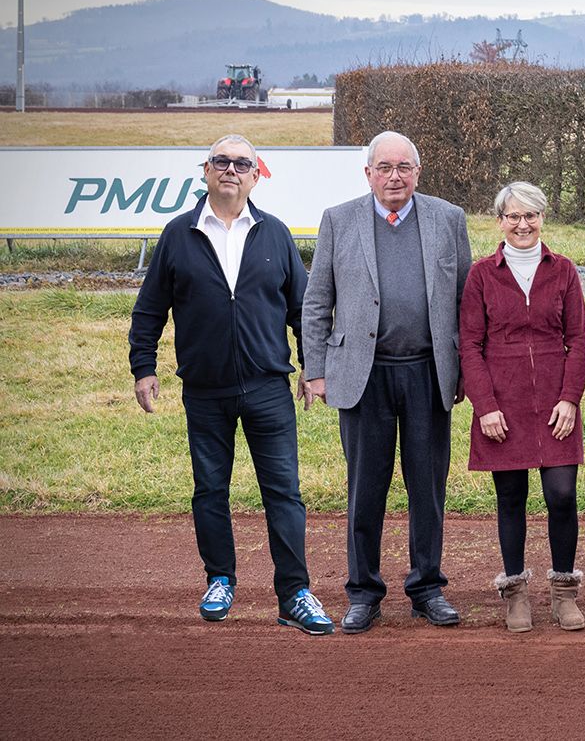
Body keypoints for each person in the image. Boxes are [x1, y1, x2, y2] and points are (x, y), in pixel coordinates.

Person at [127, 134, 333, 635]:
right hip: (205, 390)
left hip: (267, 387)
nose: (231, 170)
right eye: (222, 161)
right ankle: (220, 579)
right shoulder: (178, 235)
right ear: (205, 171)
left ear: (255, 175)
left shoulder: (276, 233)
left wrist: (312, 367)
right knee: (210, 491)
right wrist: (144, 366)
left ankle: (295, 594)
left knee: (283, 493)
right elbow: (151, 307)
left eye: (242, 163)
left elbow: (301, 310)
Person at [301, 130, 473, 634]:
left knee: (428, 487)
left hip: (427, 371)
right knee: (365, 488)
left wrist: (464, 368)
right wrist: (315, 370)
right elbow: (317, 301)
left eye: (404, 167)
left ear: (418, 173)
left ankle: (426, 588)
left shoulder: (448, 218)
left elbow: (466, 299)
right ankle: (363, 593)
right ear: (369, 173)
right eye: (385, 167)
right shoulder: (339, 219)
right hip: (362, 374)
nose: (394, 176)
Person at [459, 182, 585, 632]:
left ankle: (564, 593)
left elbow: (580, 342)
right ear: (499, 222)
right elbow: (470, 346)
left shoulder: (565, 270)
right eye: (513, 216)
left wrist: (570, 399)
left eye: (531, 216)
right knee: (511, 498)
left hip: (556, 405)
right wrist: (485, 406)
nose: (522, 224)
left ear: (542, 219)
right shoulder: (481, 274)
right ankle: (515, 594)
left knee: (561, 494)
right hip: (503, 406)